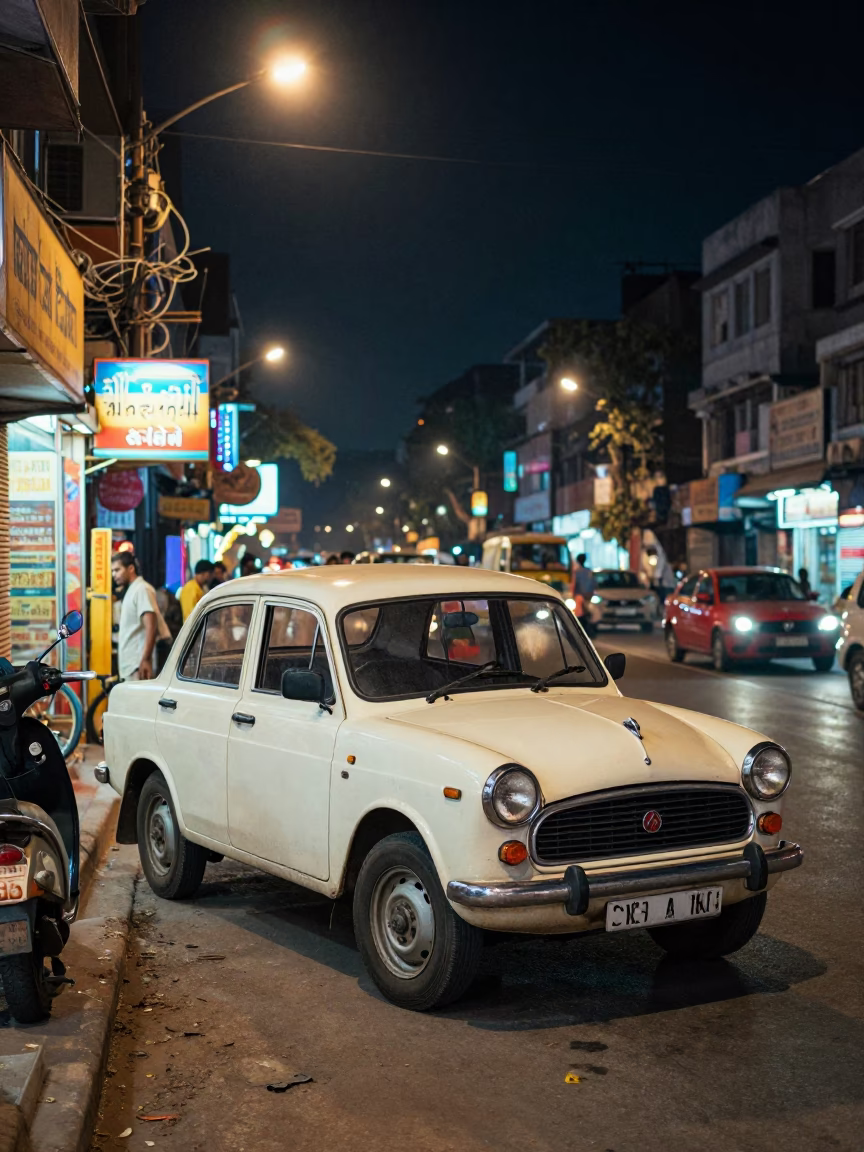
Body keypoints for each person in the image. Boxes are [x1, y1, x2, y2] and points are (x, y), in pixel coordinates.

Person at [110, 552, 170, 681]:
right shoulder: (132, 590)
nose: (114, 575)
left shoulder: (142, 589)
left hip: (139, 665)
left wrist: (146, 659)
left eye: (117, 570)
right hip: (131, 665)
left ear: (131, 568)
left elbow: (151, 625)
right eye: (112, 571)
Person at [571, 553, 597, 636]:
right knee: (585, 613)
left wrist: (573, 594)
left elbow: (574, 584)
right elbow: (594, 583)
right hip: (588, 595)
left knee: (581, 614)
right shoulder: (588, 571)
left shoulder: (577, 572)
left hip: (580, 596)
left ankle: (584, 631)